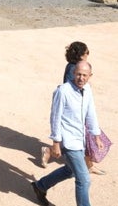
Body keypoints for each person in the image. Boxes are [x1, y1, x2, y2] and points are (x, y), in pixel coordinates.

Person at [31, 61, 103, 206]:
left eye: (84, 75)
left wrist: (96, 135)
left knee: (70, 171)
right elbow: (55, 118)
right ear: (73, 73)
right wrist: (56, 143)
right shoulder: (63, 91)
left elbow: (91, 113)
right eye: (78, 74)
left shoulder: (87, 89)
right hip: (68, 140)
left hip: (80, 138)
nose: (81, 78)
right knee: (84, 179)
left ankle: (40, 186)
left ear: (90, 76)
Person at [41, 41, 105, 175]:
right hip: (75, 111)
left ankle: (87, 164)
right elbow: (74, 88)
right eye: (87, 52)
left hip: (77, 109)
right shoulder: (74, 68)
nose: (88, 55)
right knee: (83, 141)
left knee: (76, 144)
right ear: (82, 54)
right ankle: (87, 165)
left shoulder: (72, 66)